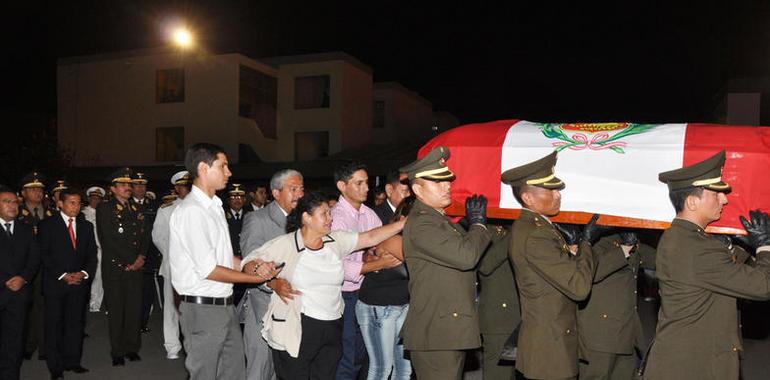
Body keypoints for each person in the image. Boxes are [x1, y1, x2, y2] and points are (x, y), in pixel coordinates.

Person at [240, 190, 405, 380]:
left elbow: (370, 237)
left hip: (332, 324)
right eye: (324, 214)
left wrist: (404, 223)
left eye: (330, 213)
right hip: (299, 325)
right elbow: (249, 263)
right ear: (306, 217)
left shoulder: (335, 241)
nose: (330, 218)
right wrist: (264, 274)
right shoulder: (286, 244)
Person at [645, 151, 770, 380]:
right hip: (695, 367)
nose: (725, 199)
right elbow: (763, 285)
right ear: (692, 202)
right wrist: (765, 246)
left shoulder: (680, 238)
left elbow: (718, 272)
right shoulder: (698, 248)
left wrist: (739, 247)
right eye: (716, 194)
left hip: (683, 361)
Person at [168, 143, 281, 380]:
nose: (229, 172)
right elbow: (209, 269)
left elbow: (224, 257)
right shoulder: (192, 211)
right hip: (202, 309)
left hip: (224, 306)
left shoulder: (215, 207)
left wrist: (253, 264)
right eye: (223, 166)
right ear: (203, 168)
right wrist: (254, 278)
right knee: (205, 374)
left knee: (234, 373)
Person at [501, 150, 596, 380]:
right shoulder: (536, 235)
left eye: (557, 189)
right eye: (550, 190)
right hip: (549, 353)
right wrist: (587, 244)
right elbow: (579, 287)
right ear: (527, 197)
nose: (557, 195)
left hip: (550, 346)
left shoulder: (538, 228)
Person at [399, 146, 491, 380]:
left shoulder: (440, 220)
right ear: (417, 189)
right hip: (436, 332)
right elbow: (466, 256)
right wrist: (478, 225)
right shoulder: (422, 223)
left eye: (447, 180)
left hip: (447, 329)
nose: (447, 185)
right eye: (438, 182)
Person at [331, 161, 402, 380]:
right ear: (342, 186)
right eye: (359, 183)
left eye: (367, 183)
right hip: (346, 294)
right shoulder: (336, 217)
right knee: (350, 356)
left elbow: (378, 247)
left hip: (367, 293)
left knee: (368, 357)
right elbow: (339, 265)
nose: (366, 188)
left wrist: (373, 257)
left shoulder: (368, 214)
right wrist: (377, 264)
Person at [239, 169, 305, 380]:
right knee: (261, 366)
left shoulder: (306, 220)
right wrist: (272, 282)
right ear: (276, 193)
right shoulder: (257, 220)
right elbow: (251, 261)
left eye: (301, 189)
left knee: (287, 368)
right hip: (265, 305)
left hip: (296, 306)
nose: (299, 195)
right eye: (293, 189)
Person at [571, 230, 656, 380]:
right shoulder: (596, 241)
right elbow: (591, 272)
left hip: (626, 333)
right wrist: (624, 249)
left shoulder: (630, 239)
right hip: (600, 338)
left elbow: (660, 259)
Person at [39, 187, 98, 379]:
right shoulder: (47, 225)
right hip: (56, 284)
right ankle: (55, 367)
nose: (76, 206)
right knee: (55, 325)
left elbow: (92, 255)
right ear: (60, 204)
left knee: (75, 324)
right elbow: (44, 255)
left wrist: (83, 273)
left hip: (79, 284)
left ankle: (73, 361)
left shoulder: (86, 226)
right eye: (71, 202)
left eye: (79, 203)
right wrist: (63, 275)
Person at [356, 195, 414, 380]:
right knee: (381, 368)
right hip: (379, 308)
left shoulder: (409, 240)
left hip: (401, 306)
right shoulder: (393, 239)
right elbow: (420, 265)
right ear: (403, 218)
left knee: (404, 370)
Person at [96, 167, 148, 366]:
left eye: (129, 184)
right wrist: (130, 260)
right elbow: (108, 240)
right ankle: (117, 351)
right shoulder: (105, 208)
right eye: (124, 185)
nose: (128, 187)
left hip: (135, 267)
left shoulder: (137, 208)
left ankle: (131, 347)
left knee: (133, 310)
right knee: (117, 311)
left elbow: (145, 236)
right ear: (113, 189)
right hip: (116, 268)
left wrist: (141, 257)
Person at [0, 185, 39, 379]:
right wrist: (6, 280)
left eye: (15, 201)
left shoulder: (25, 229)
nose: (12, 205)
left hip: (18, 295)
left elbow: (34, 259)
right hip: (1, 289)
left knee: (14, 342)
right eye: (6, 202)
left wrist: (22, 278)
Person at [151, 170, 191, 360]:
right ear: (176, 188)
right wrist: (173, 255)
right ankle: (172, 346)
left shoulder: (201, 207)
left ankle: (192, 344)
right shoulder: (166, 210)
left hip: (196, 269)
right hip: (173, 266)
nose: (187, 189)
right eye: (183, 186)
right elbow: (158, 237)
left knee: (193, 308)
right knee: (171, 307)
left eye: (189, 185)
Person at [476, 224, 520, 380]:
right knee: (498, 373)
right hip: (499, 317)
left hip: (522, 315)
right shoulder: (485, 230)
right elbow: (485, 266)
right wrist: (515, 232)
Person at [17, 172, 51, 360]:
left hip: (47, 268)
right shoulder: (16, 213)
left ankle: (45, 346)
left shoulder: (51, 214)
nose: (38, 192)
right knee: (26, 308)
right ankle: (29, 344)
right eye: (33, 189)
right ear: (23, 193)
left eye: (40, 189)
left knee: (45, 306)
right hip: (24, 268)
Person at [133, 172, 162, 335]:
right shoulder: (127, 205)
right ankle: (131, 323)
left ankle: (142, 322)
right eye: (137, 185)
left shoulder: (155, 205)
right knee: (132, 292)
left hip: (150, 256)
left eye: (143, 185)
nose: (140, 188)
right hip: (131, 255)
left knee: (147, 292)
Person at [83, 186, 105, 312]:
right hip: (89, 250)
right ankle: (87, 300)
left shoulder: (104, 213)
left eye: (98, 199)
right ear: (89, 199)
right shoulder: (83, 213)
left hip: (102, 250)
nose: (95, 201)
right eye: (93, 198)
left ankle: (95, 303)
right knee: (88, 276)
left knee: (99, 277)